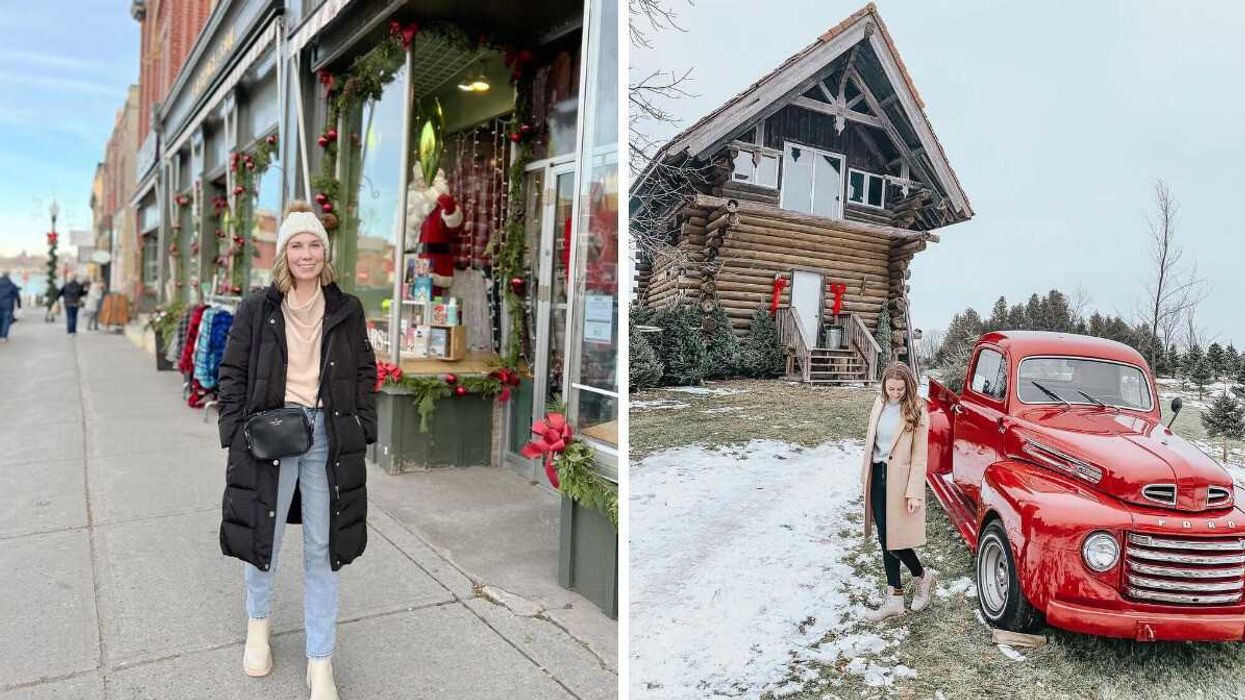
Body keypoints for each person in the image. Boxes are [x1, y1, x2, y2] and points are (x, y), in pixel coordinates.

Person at [216, 200, 377, 700]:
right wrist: (235, 433)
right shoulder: (258, 307)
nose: (306, 254)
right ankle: (258, 628)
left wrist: (362, 428)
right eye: (296, 245)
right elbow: (232, 372)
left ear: (324, 253)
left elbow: (365, 372)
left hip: (327, 436)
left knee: (323, 548)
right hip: (270, 434)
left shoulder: (347, 309)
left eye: (314, 245)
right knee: (262, 537)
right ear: (284, 253)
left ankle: (320, 660)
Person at [860, 362, 937, 622]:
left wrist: (914, 491)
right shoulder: (879, 403)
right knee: (884, 538)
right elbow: (871, 442)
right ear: (884, 385)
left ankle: (922, 576)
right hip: (877, 475)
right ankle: (895, 596)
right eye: (890, 388)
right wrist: (864, 477)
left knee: (896, 539)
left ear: (908, 387)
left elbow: (919, 456)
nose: (895, 393)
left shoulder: (917, 410)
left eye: (900, 389)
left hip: (900, 481)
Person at [0, 270, 20, 342]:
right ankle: (3, 337)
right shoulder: (12, 285)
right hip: (8, 306)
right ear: (8, 276)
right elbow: (17, 296)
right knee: (6, 321)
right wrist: (19, 306)